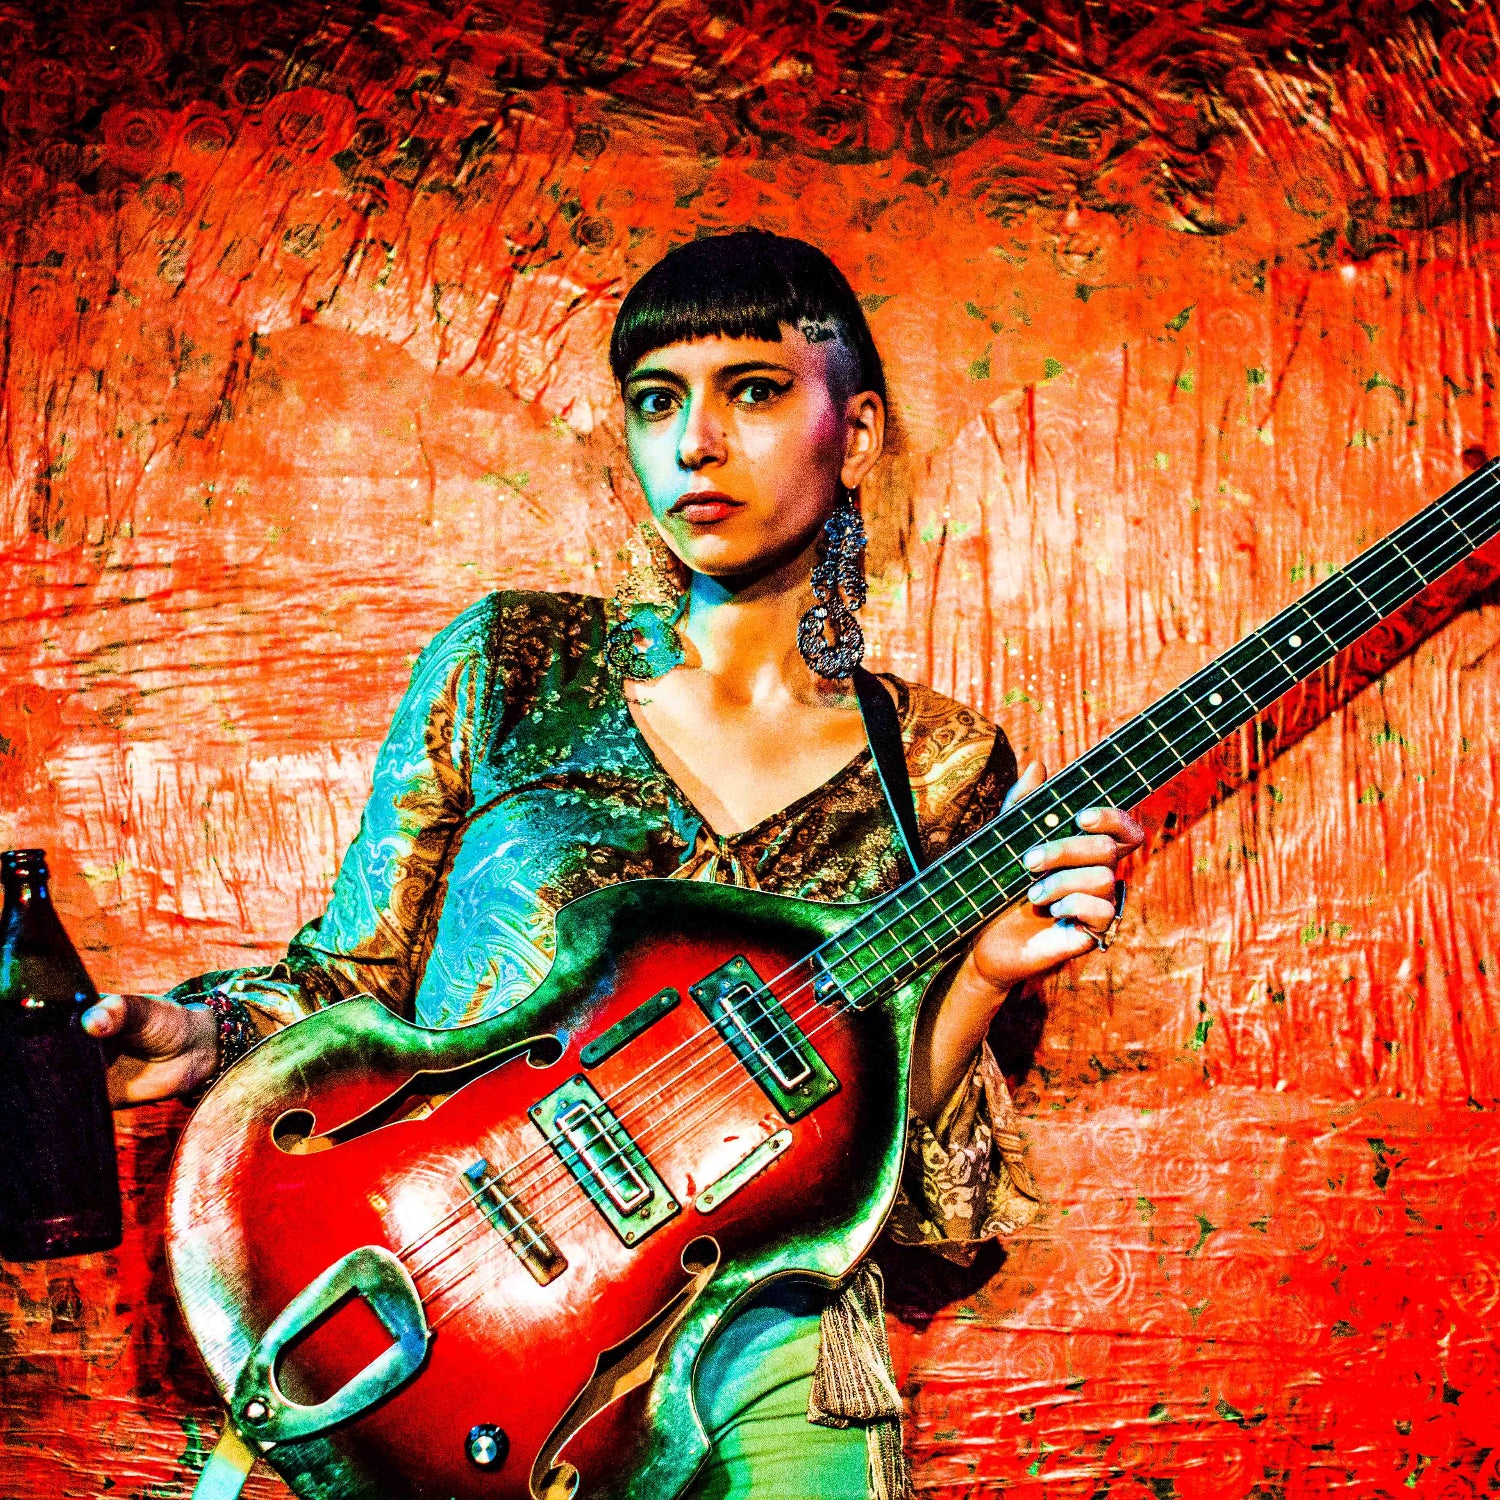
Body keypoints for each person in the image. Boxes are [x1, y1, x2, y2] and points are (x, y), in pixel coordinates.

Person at [83, 230, 1143, 1500]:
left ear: (854, 433)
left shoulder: (937, 759)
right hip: (440, 1317)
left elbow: (860, 1152)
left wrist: (981, 977)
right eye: (657, 400)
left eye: (752, 389)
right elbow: (353, 979)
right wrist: (206, 1036)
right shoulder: (511, 661)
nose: (694, 442)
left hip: (764, 1351)